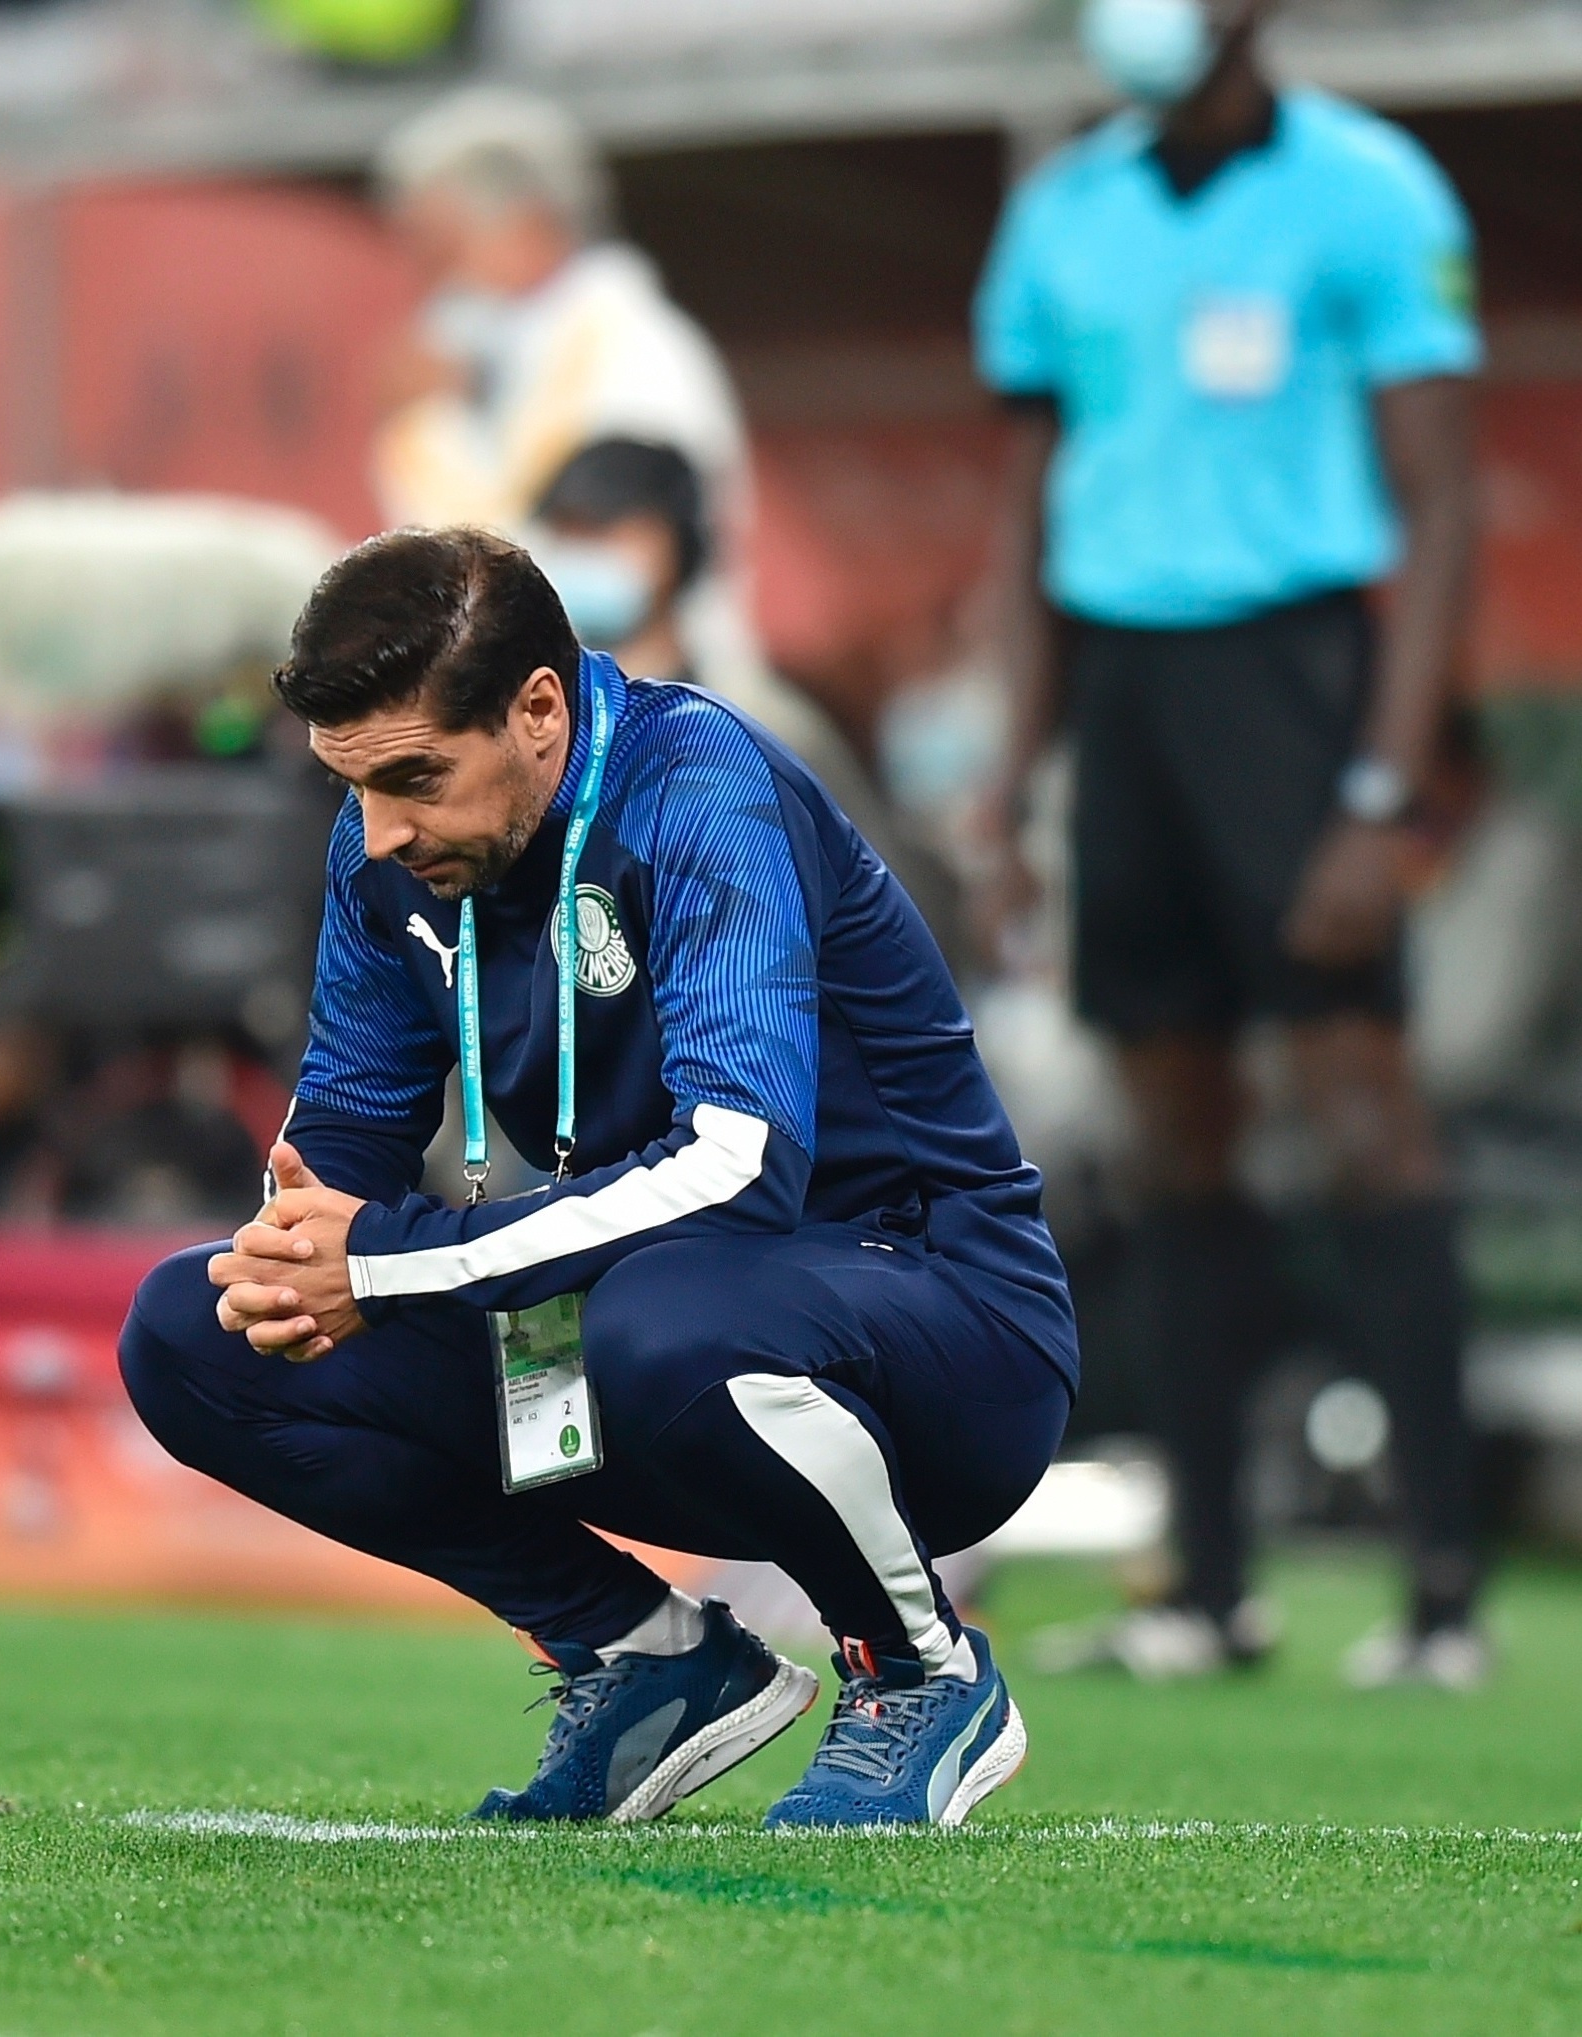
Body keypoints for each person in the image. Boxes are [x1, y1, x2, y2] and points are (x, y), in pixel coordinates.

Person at [118, 530, 1076, 1827]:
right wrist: (297, 1255)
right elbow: (341, 1130)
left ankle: (920, 1671)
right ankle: (643, 1657)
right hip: (651, 1352)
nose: (382, 832)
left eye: (413, 779)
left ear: (537, 710)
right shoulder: (386, 853)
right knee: (195, 1333)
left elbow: (738, 1170)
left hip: (944, 1346)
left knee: (654, 1318)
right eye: (353, 787)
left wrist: (387, 1264)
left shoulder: (699, 790)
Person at [973, 0, 1487, 1686]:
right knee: (1166, 1124)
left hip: (1293, 677)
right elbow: (1028, 509)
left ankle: (1438, 1597)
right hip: (1118, 687)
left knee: (1361, 1111)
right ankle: (1205, 1585)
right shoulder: (1062, 211)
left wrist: (1375, 789)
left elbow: (1438, 507)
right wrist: (1007, 769)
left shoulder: (1369, 190)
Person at [369, 90, 770, 711]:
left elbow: (623, 570)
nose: (431, 285)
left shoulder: (641, 354)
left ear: (531, 228)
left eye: (444, 252)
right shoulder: (482, 372)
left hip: (655, 703)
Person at [533, 436, 974, 975]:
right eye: (565, 536)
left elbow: (882, 912)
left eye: (601, 533)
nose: (580, 558)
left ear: (672, 541)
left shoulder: (764, 723)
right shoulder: (539, 731)